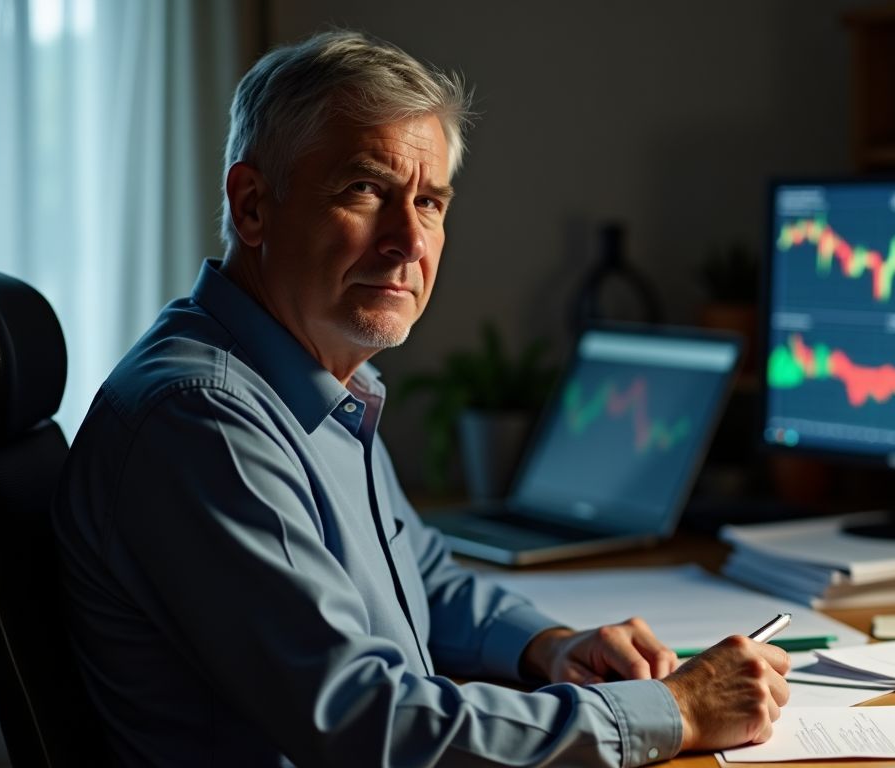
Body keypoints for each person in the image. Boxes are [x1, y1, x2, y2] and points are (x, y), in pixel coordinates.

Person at [52, 29, 789, 767]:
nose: (410, 240)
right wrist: (673, 710)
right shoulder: (203, 418)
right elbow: (368, 722)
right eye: (365, 189)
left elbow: (419, 575)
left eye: (430, 201)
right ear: (252, 207)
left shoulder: (322, 381)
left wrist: (550, 647)